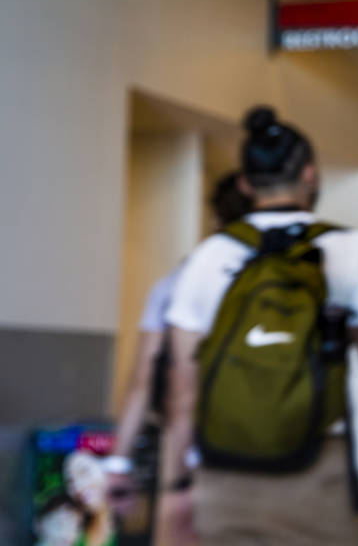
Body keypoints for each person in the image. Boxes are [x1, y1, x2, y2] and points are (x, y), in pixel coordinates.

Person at [161, 106, 358, 545]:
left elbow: (182, 386)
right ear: (310, 175)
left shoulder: (211, 256)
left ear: (245, 184)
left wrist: (176, 485)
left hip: (224, 474)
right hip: (318, 468)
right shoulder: (352, 250)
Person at [104, 173, 252, 531]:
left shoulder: (179, 282)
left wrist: (118, 464)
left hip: (193, 454)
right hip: (282, 456)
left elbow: (143, 379)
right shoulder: (294, 281)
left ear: (216, 219)